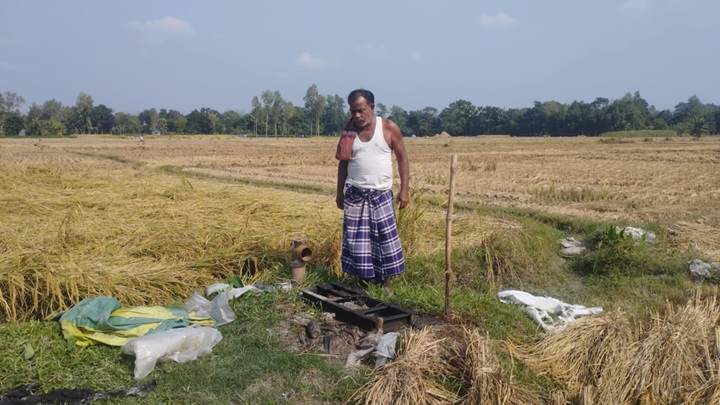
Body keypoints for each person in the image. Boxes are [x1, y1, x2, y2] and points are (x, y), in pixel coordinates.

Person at [336, 89, 410, 293]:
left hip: (381, 195)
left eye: (360, 110)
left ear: (372, 107)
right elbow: (343, 163)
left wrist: (404, 190)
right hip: (355, 194)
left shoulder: (388, 127)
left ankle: (386, 284)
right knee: (358, 241)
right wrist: (339, 191)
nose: (357, 116)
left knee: (385, 240)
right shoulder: (349, 130)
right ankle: (365, 283)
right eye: (353, 111)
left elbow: (402, 159)